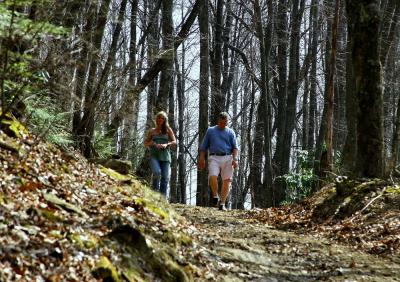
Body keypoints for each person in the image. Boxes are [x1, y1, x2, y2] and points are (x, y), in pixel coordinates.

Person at [198, 112, 239, 210]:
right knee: (212, 176)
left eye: (225, 123)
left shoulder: (230, 132)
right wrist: (201, 158)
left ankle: (222, 203)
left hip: (228, 157)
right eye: (221, 122)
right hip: (214, 157)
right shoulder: (211, 131)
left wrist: (235, 159)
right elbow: (203, 147)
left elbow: (235, 148)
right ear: (218, 121)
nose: (222, 125)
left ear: (227, 122)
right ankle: (215, 196)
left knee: (227, 180)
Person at [144, 111, 176, 197]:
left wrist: (166, 144)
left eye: (162, 118)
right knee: (157, 172)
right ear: (156, 119)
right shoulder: (152, 131)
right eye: (159, 117)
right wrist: (153, 144)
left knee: (165, 177)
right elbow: (146, 143)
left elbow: (174, 141)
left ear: (165, 120)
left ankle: (162, 198)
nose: (160, 119)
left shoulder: (168, 129)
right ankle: (154, 194)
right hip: (154, 155)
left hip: (165, 156)